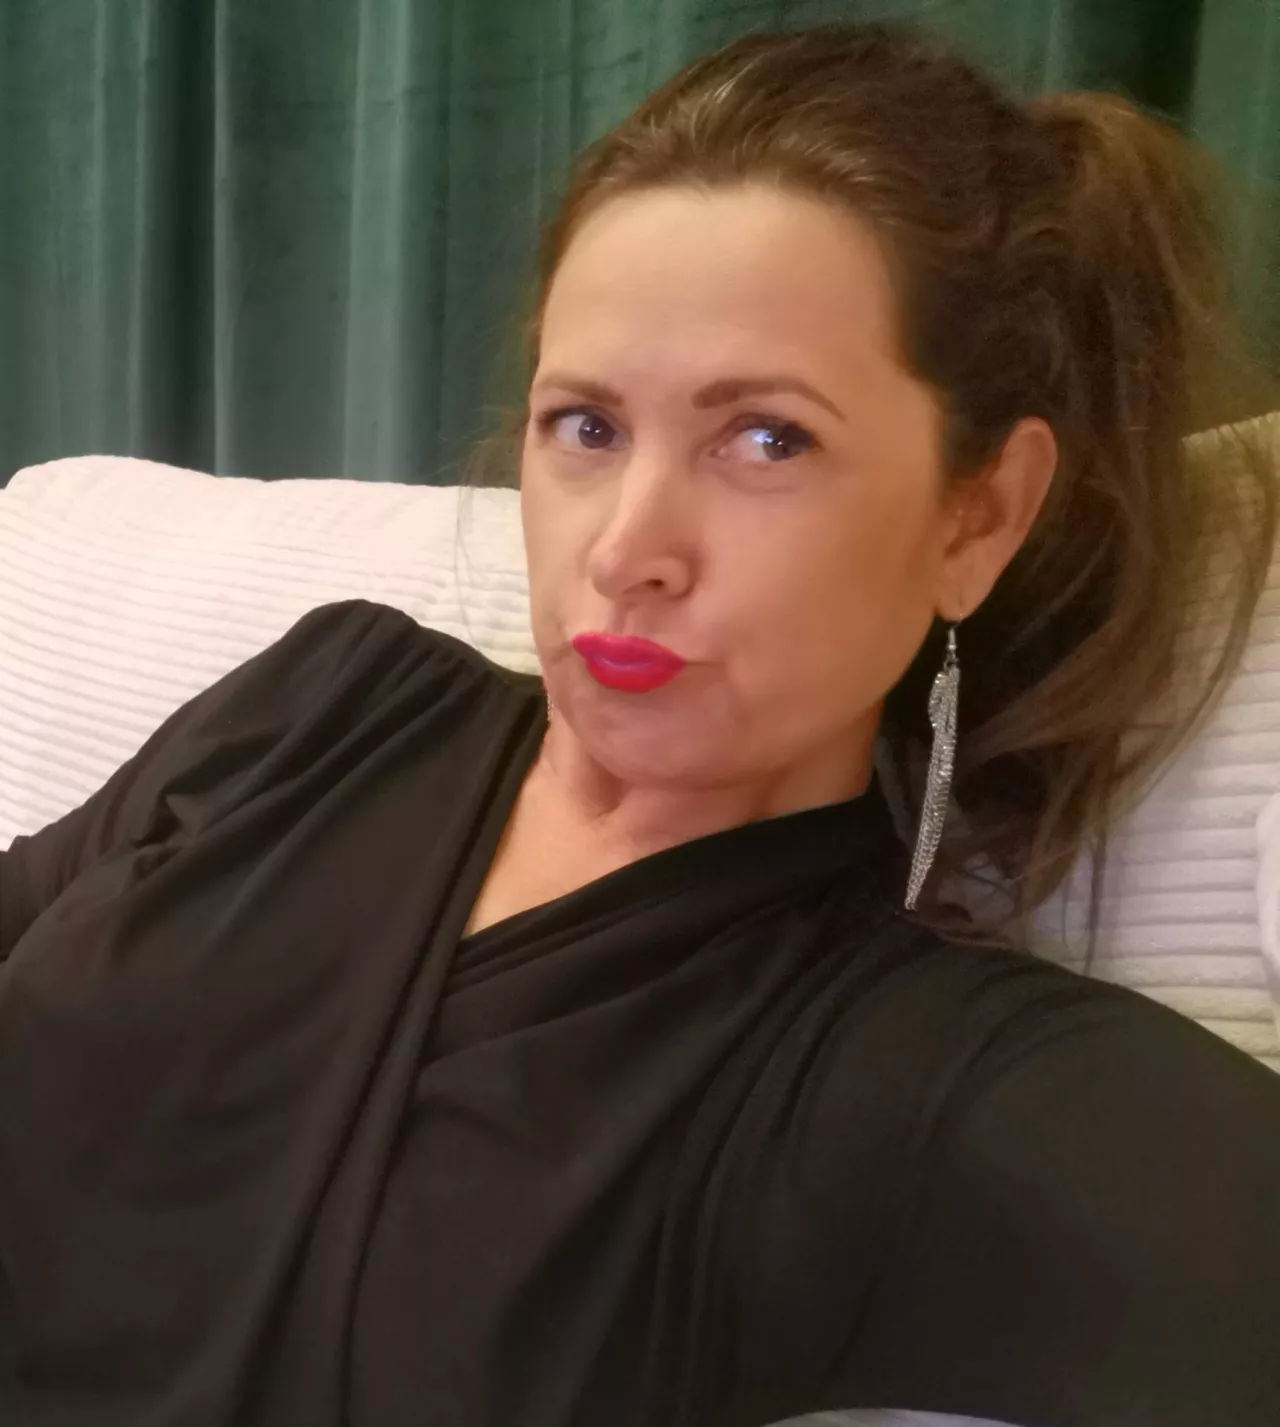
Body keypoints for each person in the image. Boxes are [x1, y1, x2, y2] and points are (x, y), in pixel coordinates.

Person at [1, 20, 1278, 1427]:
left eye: (766, 438)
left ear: (978, 516)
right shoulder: (327, 700)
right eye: (588, 427)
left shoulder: (892, 1078)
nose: (625, 549)